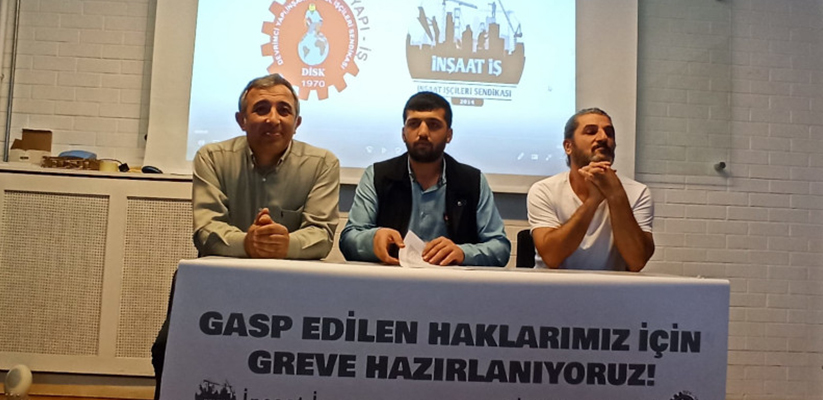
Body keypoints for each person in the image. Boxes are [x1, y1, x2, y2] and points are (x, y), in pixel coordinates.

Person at [151, 73, 339, 399]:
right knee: (167, 349)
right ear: (242, 120)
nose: (273, 118)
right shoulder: (212, 157)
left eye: (284, 110)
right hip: (218, 286)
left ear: (297, 122)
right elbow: (206, 230)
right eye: (261, 109)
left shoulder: (323, 163)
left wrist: (287, 244)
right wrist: (247, 244)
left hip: (291, 291)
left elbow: (321, 235)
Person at [339, 91, 510, 267]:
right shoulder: (378, 175)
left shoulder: (472, 181)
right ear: (403, 133)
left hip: (451, 280)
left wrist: (462, 253)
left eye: (433, 125)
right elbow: (348, 239)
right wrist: (372, 240)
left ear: (449, 135)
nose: (422, 132)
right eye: (414, 124)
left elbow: (500, 247)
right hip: (391, 277)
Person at [527, 108, 654, 271]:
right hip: (555, 286)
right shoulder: (544, 190)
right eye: (591, 132)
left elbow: (637, 261)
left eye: (609, 133)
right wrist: (592, 201)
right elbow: (552, 257)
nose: (603, 138)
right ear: (568, 146)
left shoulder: (638, 192)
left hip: (611, 287)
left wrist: (616, 195)